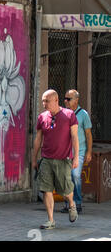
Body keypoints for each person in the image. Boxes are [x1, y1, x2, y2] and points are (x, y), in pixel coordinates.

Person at [32, 89, 80, 230]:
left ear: (56, 100)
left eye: (47, 101)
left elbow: (75, 137)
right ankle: (51, 220)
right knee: (46, 190)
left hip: (63, 159)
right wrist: (34, 158)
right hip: (46, 159)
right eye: (42, 101)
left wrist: (76, 157)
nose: (44, 104)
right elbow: (38, 139)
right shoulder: (42, 117)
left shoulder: (69, 115)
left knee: (65, 191)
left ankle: (71, 204)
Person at [61, 89, 92, 213]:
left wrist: (89, 152)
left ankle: (77, 203)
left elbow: (88, 134)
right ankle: (68, 204)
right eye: (65, 98)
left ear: (76, 100)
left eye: (69, 99)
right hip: (66, 151)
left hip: (79, 150)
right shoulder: (63, 113)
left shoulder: (83, 114)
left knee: (75, 176)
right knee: (66, 177)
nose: (66, 101)